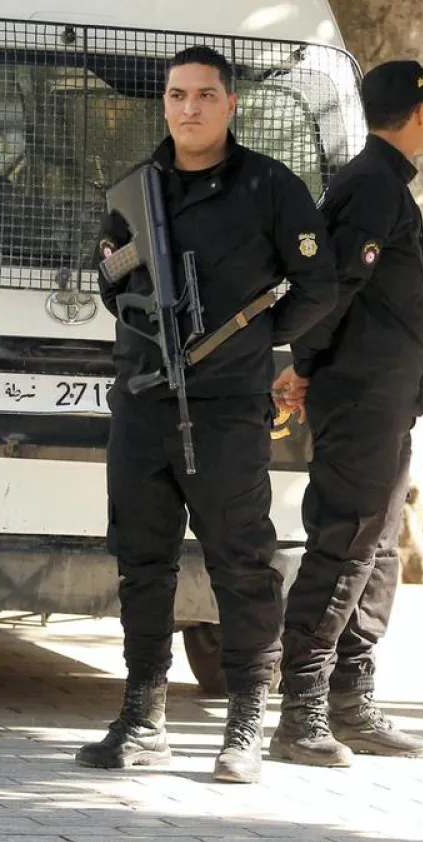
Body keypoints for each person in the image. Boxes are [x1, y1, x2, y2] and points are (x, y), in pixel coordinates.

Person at [75, 45, 338, 785]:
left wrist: (257, 341)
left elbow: (318, 284)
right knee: (141, 558)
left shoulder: (269, 187)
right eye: (177, 94)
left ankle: (248, 717)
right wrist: (130, 278)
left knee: (241, 562)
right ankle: (141, 712)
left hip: (225, 407)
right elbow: (106, 276)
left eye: (204, 95)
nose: (188, 107)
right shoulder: (138, 188)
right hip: (143, 398)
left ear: (230, 105)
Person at [266, 59, 423, 768]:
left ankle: (351, 696)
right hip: (362, 397)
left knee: (375, 547)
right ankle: (301, 708)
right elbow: (332, 285)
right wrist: (304, 364)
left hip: (384, 397)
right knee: (344, 544)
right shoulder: (371, 185)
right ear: (419, 112)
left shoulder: (380, 182)